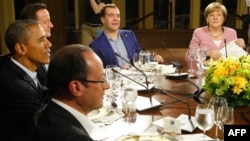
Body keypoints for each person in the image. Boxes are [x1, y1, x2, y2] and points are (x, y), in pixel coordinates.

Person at [28, 44, 110, 141]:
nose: (107, 86)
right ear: (76, 88)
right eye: (101, 80)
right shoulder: (75, 137)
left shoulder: (42, 114)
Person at [0, 19, 52, 141]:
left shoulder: (25, 66)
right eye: (41, 40)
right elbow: (47, 125)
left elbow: (43, 94)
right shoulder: (15, 86)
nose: (49, 44)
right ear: (20, 48)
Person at [90, 4, 164, 69]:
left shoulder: (129, 35)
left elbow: (139, 56)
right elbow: (98, 72)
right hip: (116, 82)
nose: (115, 19)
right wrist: (120, 70)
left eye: (118, 16)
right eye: (111, 15)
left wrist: (152, 59)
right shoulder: (95, 45)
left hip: (137, 77)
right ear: (103, 20)